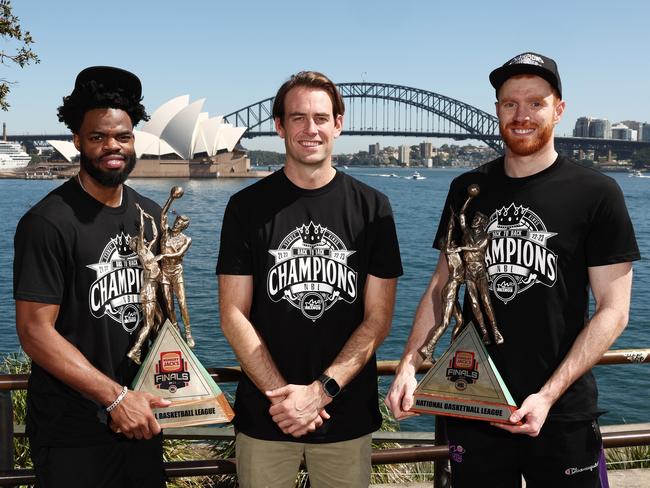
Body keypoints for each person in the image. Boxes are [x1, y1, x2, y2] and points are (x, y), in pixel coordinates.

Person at [386, 52, 639, 487]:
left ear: (558, 110)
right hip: (471, 400)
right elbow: (441, 285)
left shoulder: (598, 192)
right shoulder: (466, 190)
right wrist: (409, 365)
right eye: (509, 104)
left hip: (560, 413)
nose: (521, 115)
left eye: (536, 103)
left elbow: (614, 310)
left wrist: (546, 396)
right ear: (497, 110)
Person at [216, 71, 403, 487]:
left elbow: (378, 319)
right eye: (297, 117)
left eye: (320, 117)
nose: (310, 129)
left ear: (339, 123)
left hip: (344, 412)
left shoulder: (374, 208)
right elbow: (232, 314)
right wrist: (284, 398)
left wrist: (318, 394)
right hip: (268, 414)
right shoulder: (245, 208)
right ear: (280, 126)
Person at [14, 66, 170, 488]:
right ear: (78, 141)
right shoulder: (47, 223)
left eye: (122, 136)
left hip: (139, 421)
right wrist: (115, 397)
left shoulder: (152, 217)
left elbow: (158, 318)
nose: (112, 147)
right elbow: (34, 332)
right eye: (98, 137)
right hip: (73, 433)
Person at [158, 187, 194, 348]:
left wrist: (163, 256)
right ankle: (175, 327)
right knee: (168, 305)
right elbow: (163, 214)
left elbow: (179, 254)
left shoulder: (186, 239)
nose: (177, 223)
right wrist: (171, 198)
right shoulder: (165, 232)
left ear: (184, 226)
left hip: (176, 272)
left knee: (182, 302)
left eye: (181, 222)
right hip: (164, 272)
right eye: (177, 220)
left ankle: (188, 332)